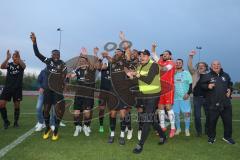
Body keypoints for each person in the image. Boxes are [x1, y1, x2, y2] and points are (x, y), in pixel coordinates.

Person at [126, 49, 166, 154]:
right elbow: (138, 81)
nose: (141, 57)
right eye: (140, 56)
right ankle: (163, 135)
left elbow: (148, 80)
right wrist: (131, 77)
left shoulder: (154, 65)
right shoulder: (140, 66)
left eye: (143, 56)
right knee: (151, 119)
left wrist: (136, 74)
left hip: (153, 95)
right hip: (143, 95)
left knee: (147, 119)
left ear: (148, 56)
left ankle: (140, 145)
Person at [30, 32, 67, 141]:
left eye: (57, 54)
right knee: (45, 110)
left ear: (59, 55)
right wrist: (34, 42)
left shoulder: (63, 64)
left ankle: (56, 130)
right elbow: (37, 54)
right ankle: (47, 128)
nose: (55, 56)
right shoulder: (48, 61)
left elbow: (64, 77)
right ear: (51, 55)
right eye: (53, 54)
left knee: (58, 110)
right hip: (48, 90)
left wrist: (64, 81)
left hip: (57, 91)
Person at [201, 60, 235, 144]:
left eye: (218, 64)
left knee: (228, 122)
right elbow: (201, 86)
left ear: (220, 65)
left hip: (225, 103)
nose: (216, 66)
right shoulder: (207, 76)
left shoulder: (226, 75)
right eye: (214, 64)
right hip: (212, 104)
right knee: (212, 122)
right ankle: (211, 137)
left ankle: (227, 137)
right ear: (211, 66)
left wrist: (230, 89)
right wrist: (207, 86)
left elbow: (230, 84)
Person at [68, 47, 98, 137]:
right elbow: (71, 76)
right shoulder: (78, 70)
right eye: (80, 61)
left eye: (83, 60)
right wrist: (69, 74)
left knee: (87, 113)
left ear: (86, 61)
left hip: (88, 96)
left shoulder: (91, 70)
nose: (81, 62)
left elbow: (94, 64)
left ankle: (85, 126)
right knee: (76, 113)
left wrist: (88, 55)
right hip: (78, 95)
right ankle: (78, 127)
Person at [152, 43, 176, 138]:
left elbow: (165, 69)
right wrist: (153, 47)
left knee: (168, 107)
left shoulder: (171, 63)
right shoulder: (161, 62)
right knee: (160, 107)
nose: (165, 55)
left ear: (170, 56)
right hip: (161, 89)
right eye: (164, 54)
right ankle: (162, 127)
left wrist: (156, 65)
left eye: (166, 54)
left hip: (169, 88)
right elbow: (153, 54)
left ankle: (173, 128)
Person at [0, 50, 26, 129]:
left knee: (17, 106)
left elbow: (24, 66)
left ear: (18, 57)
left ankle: (16, 122)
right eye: (14, 56)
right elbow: (1, 67)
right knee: (1, 104)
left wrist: (20, 59)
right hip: (8, 88)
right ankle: (6, 121)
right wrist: (7, 58)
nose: (14, 58)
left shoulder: (21, 65)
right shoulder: (9, 64)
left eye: (16, 56)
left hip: (17, 88)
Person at [188, 50, 209, 136]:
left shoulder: (209, 75)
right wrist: (191, 57)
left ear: (205, 67)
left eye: (202, 66)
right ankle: (199, 132)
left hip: (207, 98)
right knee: (197, 116)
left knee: (209, 116)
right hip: (196, 98)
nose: (200, 67)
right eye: (199, 66)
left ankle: (207, 130)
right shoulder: (194, 73)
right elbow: (189, 66)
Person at [173, 59, 192, 136]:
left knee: (186, 114)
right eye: (176, 63)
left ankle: (187, 129)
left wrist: (188, 93)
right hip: (175, 98)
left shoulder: (186, 73)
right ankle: (178, 129)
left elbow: (191, 84)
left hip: (185, 97)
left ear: (182, 64)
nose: (177, 64)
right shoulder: (173, 73)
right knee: (176, 114)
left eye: (179, 63)